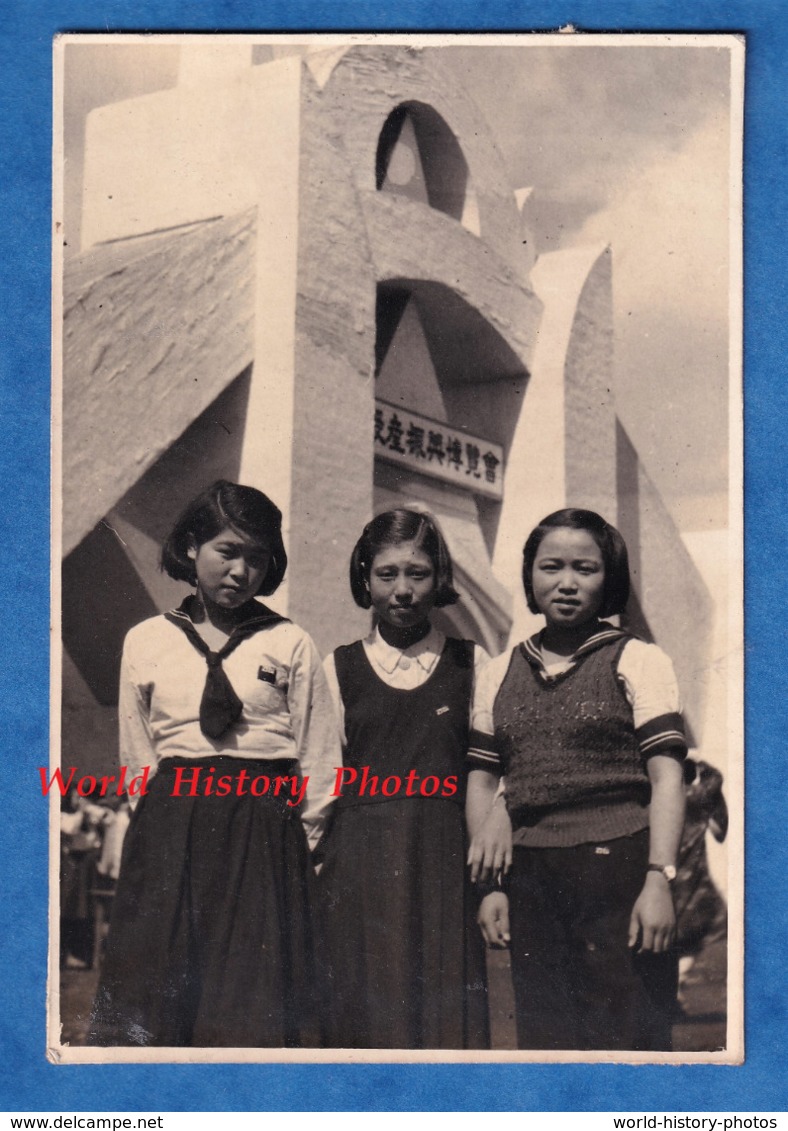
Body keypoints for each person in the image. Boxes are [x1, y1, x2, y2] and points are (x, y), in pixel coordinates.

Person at [89, 481, 339, 1047]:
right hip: (171, 826)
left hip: (264, 829)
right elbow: (137, 753)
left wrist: (297, 840)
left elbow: (320, 755)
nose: (240, 571)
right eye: (228, 551)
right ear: (193, 547)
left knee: (252, 995)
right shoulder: (147, 639)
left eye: (257, 557)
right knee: (158, 988)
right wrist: (162, 824)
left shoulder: (290, 642)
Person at [466, 508, 687, 1051]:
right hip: (532, 876)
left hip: (620, 870)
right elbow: (481, 780)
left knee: (631, 1032)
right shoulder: (498, 670)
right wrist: (491, 887)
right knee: (546, 1038)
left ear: (608, 578)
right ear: (530, 576)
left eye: (585, 569)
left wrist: (659, 879)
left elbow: (666, 778)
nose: (566, 583)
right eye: (551, 567)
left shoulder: (637, 659)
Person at [318, 508, 490, 1049]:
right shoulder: (337, 668)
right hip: (360, 863)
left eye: (417, 573)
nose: (403, 590)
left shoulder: (474, 663)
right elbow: (322, 780)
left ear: (439, 579)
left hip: (443, 859)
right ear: (365, 580)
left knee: (444, 1013)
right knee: (363, 1010)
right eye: (387, 574)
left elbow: (487, 775)